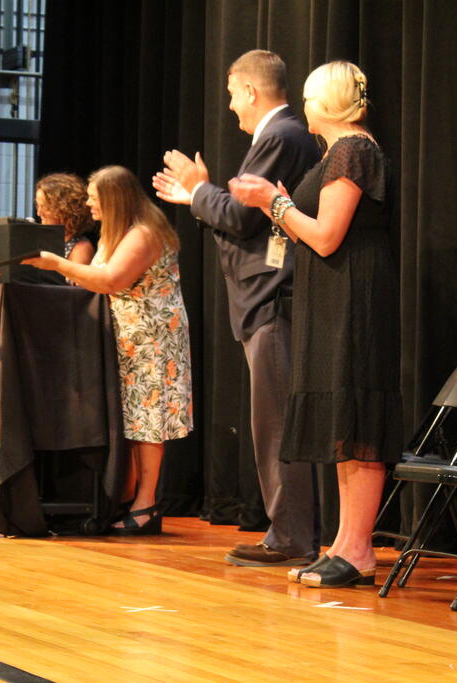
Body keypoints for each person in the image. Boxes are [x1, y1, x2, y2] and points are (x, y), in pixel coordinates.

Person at [228, 61, 402, 588]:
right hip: (330, 297)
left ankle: (358, 549)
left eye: (307, 97)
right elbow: (310, 232)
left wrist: (272, 201)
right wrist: (277, 204)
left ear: (323, 102)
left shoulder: (353, 149)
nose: (303, 107)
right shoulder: (335, 152)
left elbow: (326, 236)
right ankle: (345, 545)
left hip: (355, 299)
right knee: (341, 424)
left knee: (357, 421)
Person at [153, 49, 321, 566]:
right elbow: (240, 214)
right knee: (271, 424)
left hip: (271, 297)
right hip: (264, 297)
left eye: (232, 94)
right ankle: (286, 532)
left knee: (276, 426)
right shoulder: (282, 136)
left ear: (250, 90)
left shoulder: (281, 135)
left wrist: (198, 191)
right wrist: (199, 198)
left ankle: (291, 537)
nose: (229, 106)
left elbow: (245, 218)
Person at [24, 165, 194, 535]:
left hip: (151, 340)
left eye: (94, 198)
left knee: (148, 422)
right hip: (128, 339)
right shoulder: (115, 234)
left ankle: (146, 504)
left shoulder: (144, 233)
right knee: (132, 422)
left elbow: (110, 280)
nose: (89, 205)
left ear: (115, 199)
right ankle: (130, 496)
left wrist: (56, 262)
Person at [35, 173, 98, 265]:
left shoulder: (81, 248)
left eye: (46, 208)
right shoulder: (42, 240)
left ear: (65, 210)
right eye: (38, 206)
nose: (39, 213)